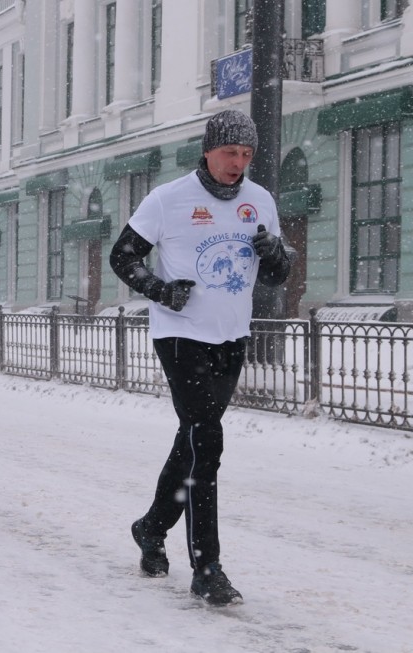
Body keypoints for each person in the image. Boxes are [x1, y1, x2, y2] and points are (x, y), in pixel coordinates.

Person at [109, 109, 291, 606]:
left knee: (192, 442)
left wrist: (275, 253)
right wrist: (161, 291)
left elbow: (277, 275)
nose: (239, 163)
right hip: (180, 336)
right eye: (230, 152)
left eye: (247, 154)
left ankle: (150, 527)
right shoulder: (168, 199)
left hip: (231, 337)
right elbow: (123, 256)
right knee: (207, 441)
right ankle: (206, 566)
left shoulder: (261, 201)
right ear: (209, 150)